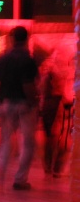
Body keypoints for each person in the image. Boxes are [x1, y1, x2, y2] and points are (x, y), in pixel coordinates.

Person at [0, 26, 39, 193]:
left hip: (6, 103)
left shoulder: (2, 59)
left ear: (12, 39)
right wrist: (34, 103)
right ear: (27, 39)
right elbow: (28, 85)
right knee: (27, 143)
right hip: (24, 105)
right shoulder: (28, 60)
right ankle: (20, 180)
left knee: (5, 143)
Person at [38, 50, 73, 179]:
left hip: (49, 105)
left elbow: (42, 90)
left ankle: (49, 167)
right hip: (60, 104)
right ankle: (57, 168)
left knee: (51, 137)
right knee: (62, 137)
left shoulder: (48, 74)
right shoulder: (63, 73)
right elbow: (66, 92)